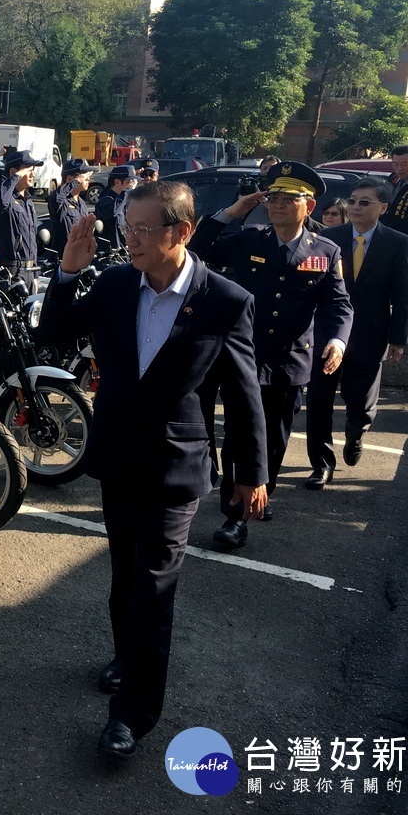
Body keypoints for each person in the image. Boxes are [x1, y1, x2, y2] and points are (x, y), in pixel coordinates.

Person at [38, 181, 267, 759]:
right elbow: (54, 336)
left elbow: (244, 395)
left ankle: (133, 716)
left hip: (176, 466)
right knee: (123, 577)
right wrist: (66, 274)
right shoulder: (115, 284)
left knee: (154, 590)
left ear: (181, 232)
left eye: (142, 229)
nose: (129, 240)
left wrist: (252, 472)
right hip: (118, 458)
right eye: (126, 228)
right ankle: (125, 656)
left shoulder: (225, 300)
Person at [190, 161, 351, 547]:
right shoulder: (249, 238)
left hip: (290, 359)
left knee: (273, 439)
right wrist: (233, 211)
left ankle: (262, 490)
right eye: (273, 197)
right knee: (240, 433)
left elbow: (339, 305)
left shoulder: (326, 251)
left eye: (288, 199)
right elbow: (197, 247)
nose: (277, 204)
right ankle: (236, 514)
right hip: (243, 354)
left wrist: (338, 341)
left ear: (308, 207)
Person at [305, 179, 408, 488]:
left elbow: (404, 295)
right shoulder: (329, 238)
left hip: (370, 335)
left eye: (364, 202)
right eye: (352, 201)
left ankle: (356, 432)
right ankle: (322, 464)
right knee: (319, 401)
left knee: (360, 401)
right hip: (327, 333)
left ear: (383, 208)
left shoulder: (398, 243)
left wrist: (398, 339)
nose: (355, 207)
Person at [0, 149, 44, 287]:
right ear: (13, 172)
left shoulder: (27, 200)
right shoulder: (6, 198)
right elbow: (1, 201)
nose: (32, 174)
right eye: (28, 169)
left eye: (33, 170)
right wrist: (15, 177)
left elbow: (32, 239)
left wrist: (35, 275)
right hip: (11, 271)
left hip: (29, 271)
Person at [46, 158, 94, 260]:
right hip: (63, 258)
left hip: (80, 256)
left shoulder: (81, 203)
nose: (88, 179)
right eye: (84, 177)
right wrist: (76, 181)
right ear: (69, 179)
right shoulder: (61, 201)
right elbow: (55, 198)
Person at [94, 164, 137, 250]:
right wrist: (127, 190)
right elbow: (113, 211)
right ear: (117, 182)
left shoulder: (126, 200)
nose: (132, 184)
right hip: (109, 253)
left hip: (125, 250)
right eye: (129, 182)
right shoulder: (105, 200)